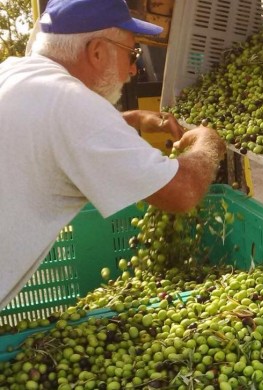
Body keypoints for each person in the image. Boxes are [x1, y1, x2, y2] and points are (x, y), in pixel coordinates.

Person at [0, 0, 226, 310]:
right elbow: (182, 192)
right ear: (96, 51)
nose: (133, 69)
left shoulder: (16, 72)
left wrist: (129, 120)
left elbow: (54, 134)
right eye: (131, 53)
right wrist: (209, 142)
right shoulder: (72, 104)